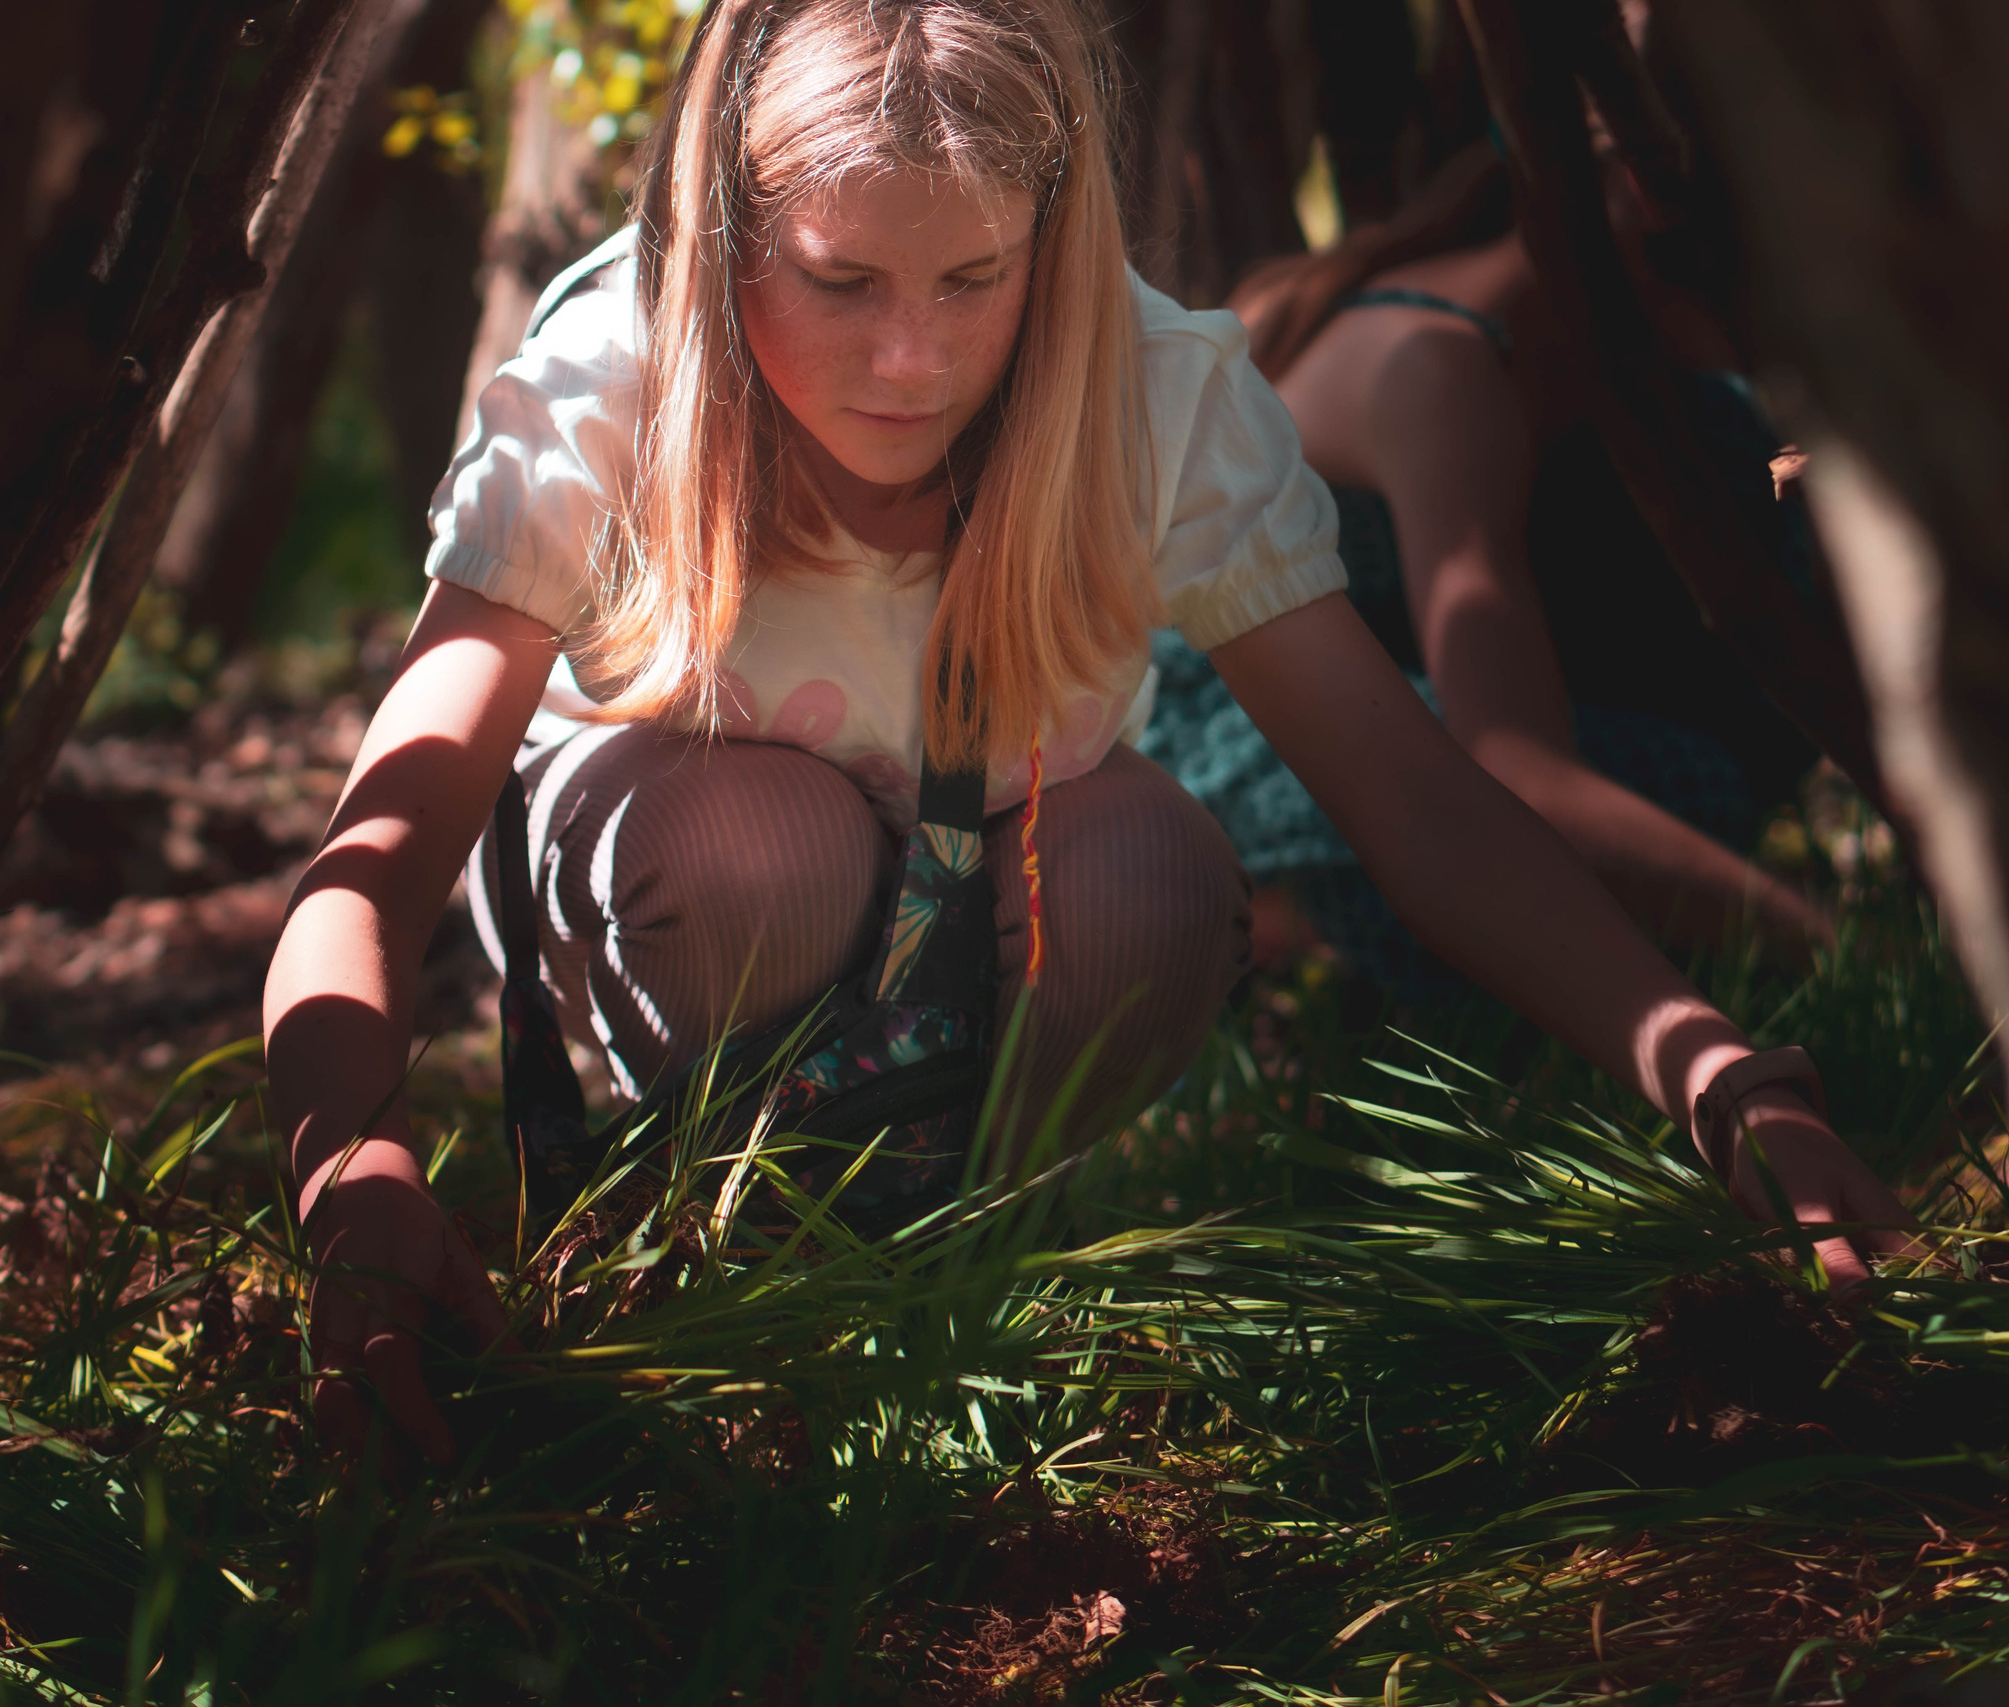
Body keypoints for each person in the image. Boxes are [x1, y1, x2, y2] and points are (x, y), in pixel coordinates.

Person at [263, 0, 1911, 1466]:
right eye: (841, 281)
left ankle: (940, 1257)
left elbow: (1416, 798)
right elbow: (378, 852)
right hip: (668, 896)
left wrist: (1714, 1066)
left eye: (975, 278)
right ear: (724, 240)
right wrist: (350, 1155)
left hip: (961, 893)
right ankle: (684, 1225)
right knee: (758, 845)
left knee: (1155, 870)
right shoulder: (609, 382)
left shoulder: (1149, 394)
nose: (914, 359)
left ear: (1051, 242)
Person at [1143, 140, 1834, 1001]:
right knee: (1688, 785)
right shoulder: (1441, 372)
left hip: (1358, 697)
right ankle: (1277, 926)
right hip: (1215, 746)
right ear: (1635, 193)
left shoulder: (1554, 353)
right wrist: (1825, 945)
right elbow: (1521, 776)